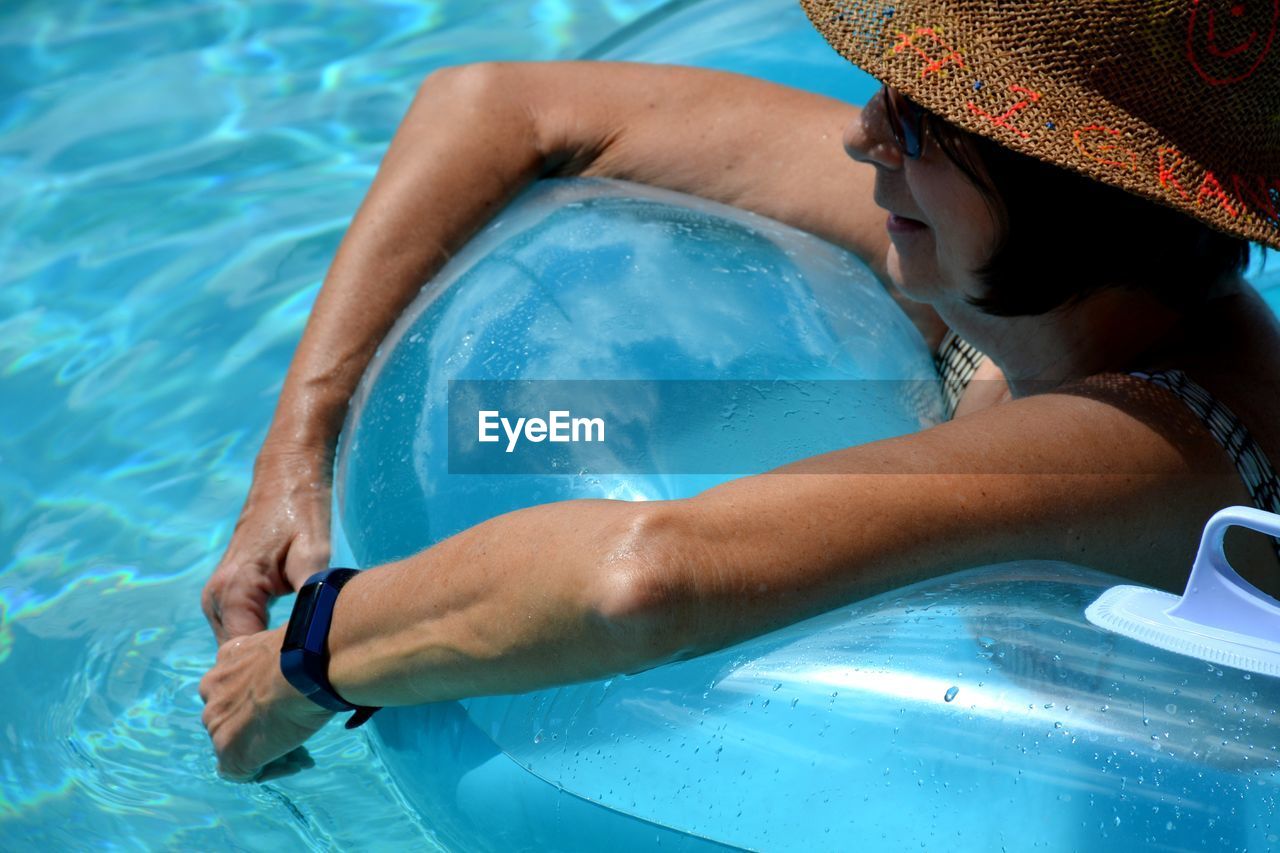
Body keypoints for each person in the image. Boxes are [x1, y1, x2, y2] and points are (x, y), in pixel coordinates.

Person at [199, 0, 1280, 782]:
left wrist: (307, 658)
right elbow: (499, 102)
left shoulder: (1154, 441)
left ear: (1065, 189)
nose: (862, 134)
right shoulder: (1023, 283)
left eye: (918, 116)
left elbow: (648, 579)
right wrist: (295, 448)